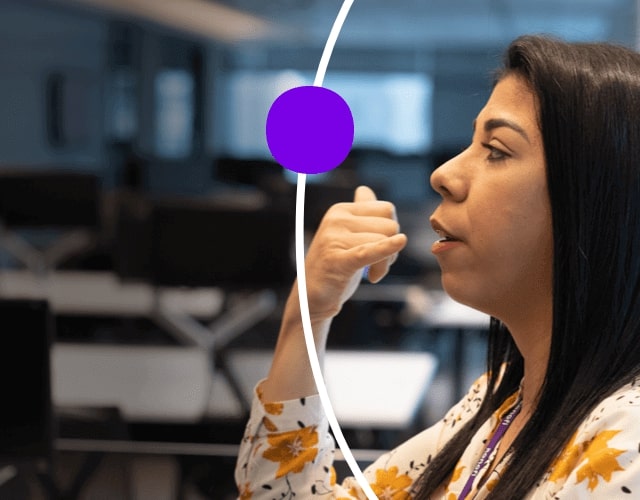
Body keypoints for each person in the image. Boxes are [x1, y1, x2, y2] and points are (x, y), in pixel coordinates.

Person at [234, 34, 640, 499]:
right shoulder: (503, 407)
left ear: (595, 203)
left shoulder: (626, 441)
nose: (443, 174)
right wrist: (308, 312)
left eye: (497, 150)